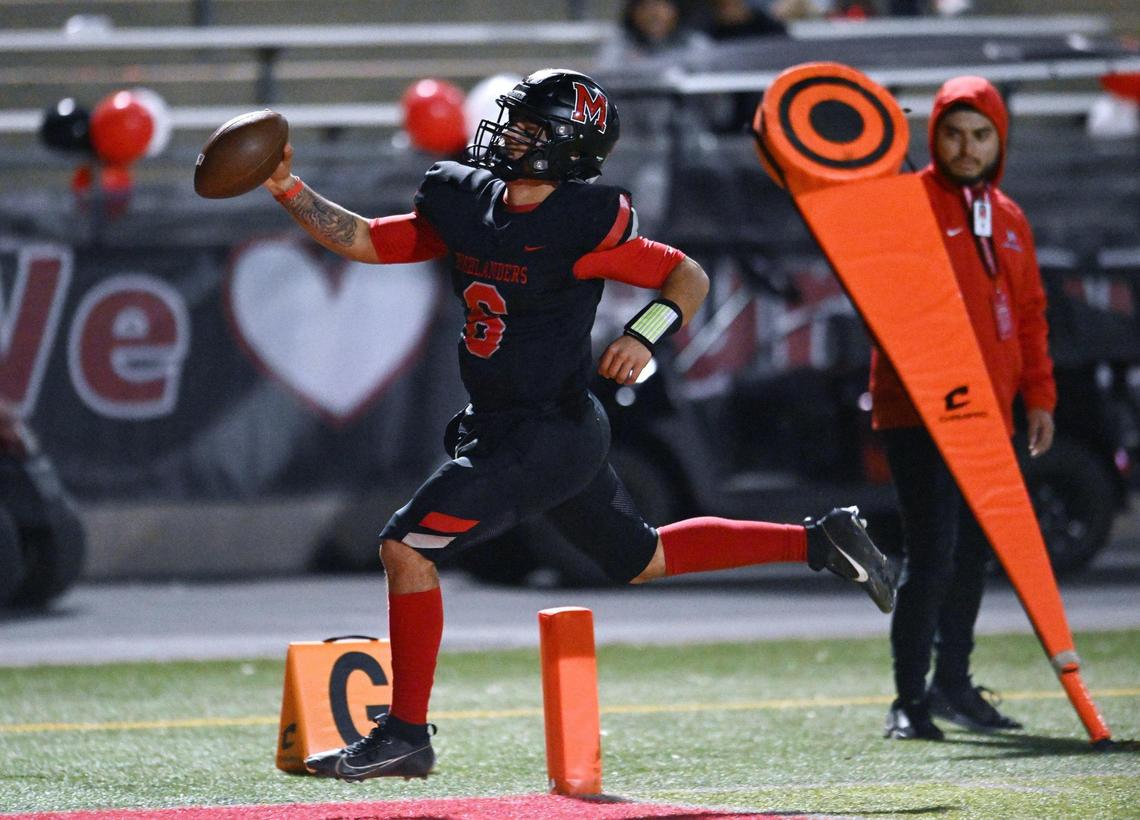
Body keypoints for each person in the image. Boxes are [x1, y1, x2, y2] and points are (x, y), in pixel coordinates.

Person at [262, 68, 896, 781]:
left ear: (567, 147)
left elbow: (685, 275)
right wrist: (287, 187)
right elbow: (369, 240)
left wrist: (646, 333)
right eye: (514, 120)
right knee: (640, 557)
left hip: (549, 430)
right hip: (508, 425)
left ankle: (405, 733)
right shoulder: (464, 198)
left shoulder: (582, 220)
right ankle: (820, 541)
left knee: (407, 547)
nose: (508, 134)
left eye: (531, 128)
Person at [871, 76, 1056, 740]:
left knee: (975, 554)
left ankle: (953, 685)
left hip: (992, 416)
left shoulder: (1007, 216)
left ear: (999, 140)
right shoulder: (905, 204)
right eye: (953, 132)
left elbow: (1030, 315)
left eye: (981, 135)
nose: (967, 146)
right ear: (934, 137)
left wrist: (1038, 396)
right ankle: (908, 699)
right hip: (917, 411)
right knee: (934, 553)